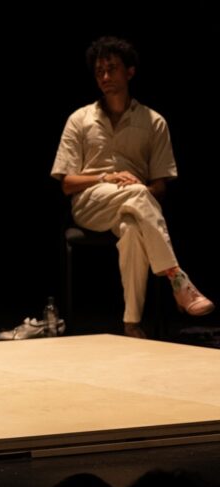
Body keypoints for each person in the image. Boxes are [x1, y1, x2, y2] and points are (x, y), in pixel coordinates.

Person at [51, 36, 214, 338]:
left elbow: (160, 188)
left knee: (131, 230)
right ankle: (177, 278)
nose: (105, 77)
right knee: (137, 196)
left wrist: (139, 188)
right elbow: (67, 184)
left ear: (130, 72)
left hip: (135, 205)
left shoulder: (154, 123)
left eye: (112, 69)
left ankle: (131, 324)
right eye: (99, 71)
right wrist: (105, 178)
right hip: (91, 204)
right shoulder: (79, 119)